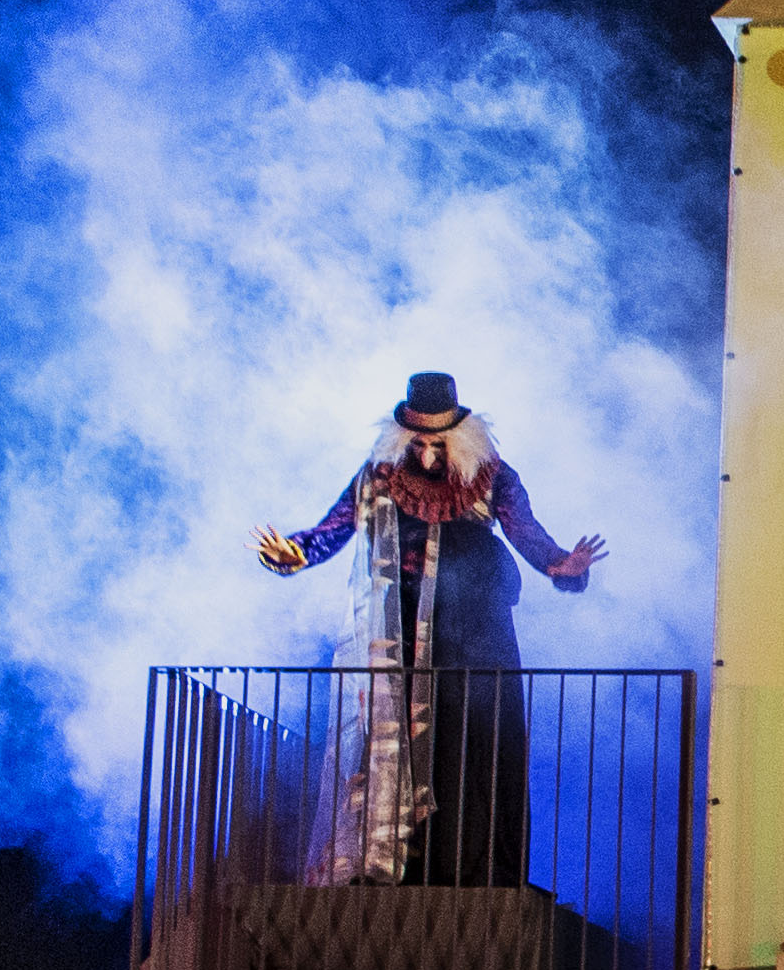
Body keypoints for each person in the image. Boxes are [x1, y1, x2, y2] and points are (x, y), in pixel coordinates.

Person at [254, 368, 609, 883]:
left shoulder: (491, 475)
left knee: (470, 742)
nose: (426, 454)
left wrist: (562, 566)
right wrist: (294, 553)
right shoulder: (380, 475)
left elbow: (527, 534)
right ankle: (389, 862)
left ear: (456, 436)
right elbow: (332, 528)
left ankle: (470, 866)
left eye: (437, 443)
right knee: (395, 741)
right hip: (399, 627)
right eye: (417, 442)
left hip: (472, 630)